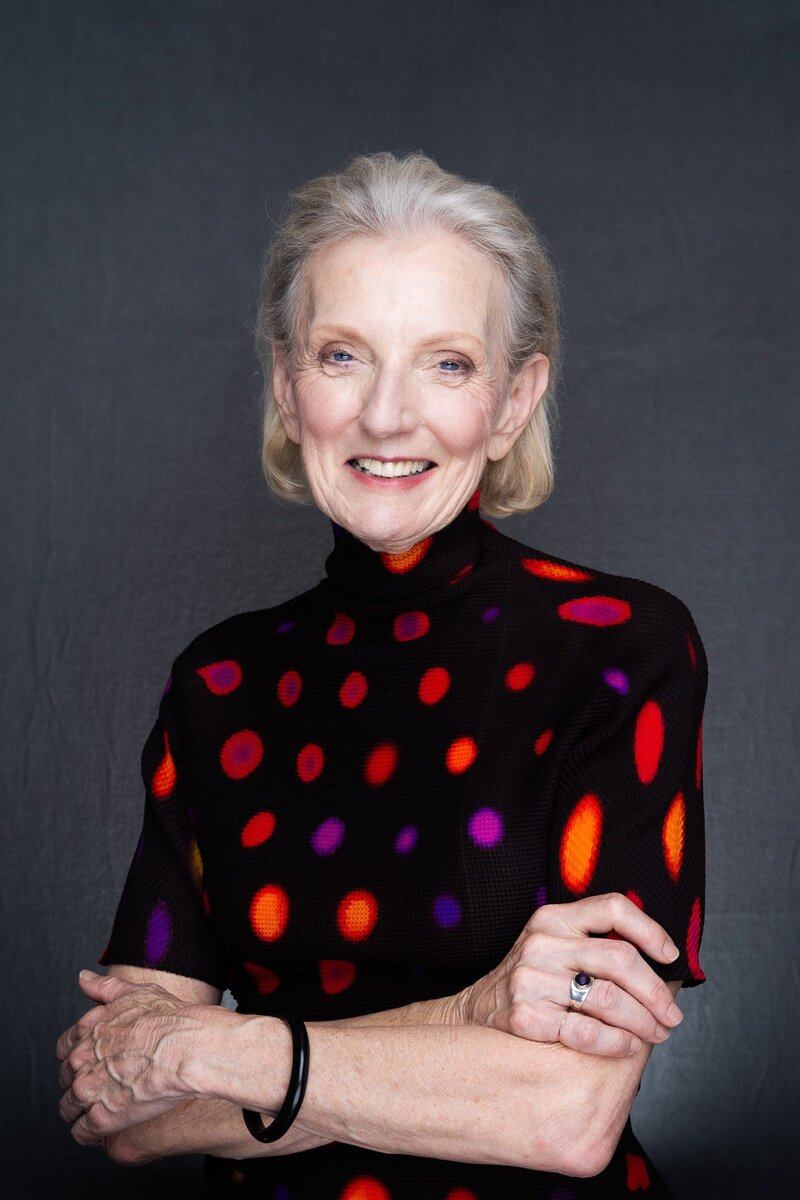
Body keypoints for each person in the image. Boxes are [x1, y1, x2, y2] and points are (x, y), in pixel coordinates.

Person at [56, 150, 709, 1198]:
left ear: (513, 401)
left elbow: (565, 1113)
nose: (387, 415)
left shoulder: (618, 647)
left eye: (446, 363)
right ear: (286, 386)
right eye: (342, 356)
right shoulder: (217, 684)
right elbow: (123, 1104)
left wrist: (212, 1049)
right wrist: (468, 1019)